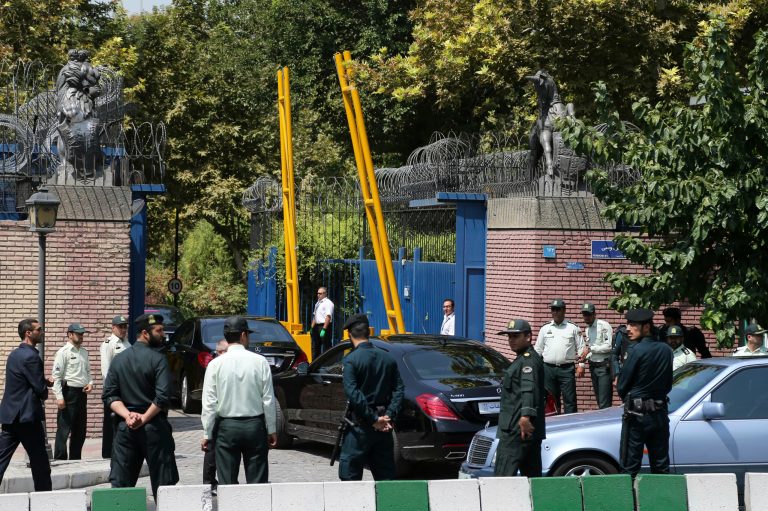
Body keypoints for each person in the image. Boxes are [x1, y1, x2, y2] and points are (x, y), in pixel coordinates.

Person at [103, 313, 178, 498]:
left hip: (125, 429)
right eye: (159, 331)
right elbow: (162, 397)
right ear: (145, 333)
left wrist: (128, 415)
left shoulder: (119, 360)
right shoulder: (158, 359)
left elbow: (109, 395)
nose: (163, 334)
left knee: (121, 488)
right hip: (153, 428)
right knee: (164, 486)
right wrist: (143, 418)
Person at [201, 318, 276, 485]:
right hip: (254, 426)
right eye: (248, 335)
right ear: (243, 335)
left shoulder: (215, 364)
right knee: (257, 485)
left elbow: (209, 403)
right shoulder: (260, 361)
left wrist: (207, 433)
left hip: (227, 428)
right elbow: (268, 400)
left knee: (227, 484)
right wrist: (271, 429)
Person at [338, 313, 404, 481]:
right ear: (368, 333)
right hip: (384, 428)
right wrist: (388, 416)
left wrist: (373, 419)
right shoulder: (388, 358)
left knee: (350, 478)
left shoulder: (351, 360)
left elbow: (353, 393)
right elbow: (399, 389)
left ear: (349, 335)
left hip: (360, 426)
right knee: (386, 479)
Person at [617, 308, 673, 477]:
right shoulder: (666, 350)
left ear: (647, 327)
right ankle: (662, 503)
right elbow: (668, 385)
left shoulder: (636, 350)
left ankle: (630, 504)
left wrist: (632, 396)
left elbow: (622, 386)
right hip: (660, 413)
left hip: (637, 415)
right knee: (661, 466)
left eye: (633, 325)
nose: (628, 328)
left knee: (629, 467)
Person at [0, 319, 53, 491]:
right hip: (27, 418)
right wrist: (46, 386)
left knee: (1, 459)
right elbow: (39, 390)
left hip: (10, 416)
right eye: (39, 329)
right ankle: (45, 500)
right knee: (40, 464)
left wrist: (41, 381)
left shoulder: (14, 354)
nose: (42, 332)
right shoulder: (32, 356)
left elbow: (22, 380)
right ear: (28, 333)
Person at [494, 319, 546, 477]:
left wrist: (525, 416)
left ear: (528, 336)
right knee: (531, 478)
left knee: (502, 478)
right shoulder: (523, 359)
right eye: (509, 336)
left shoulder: (527, 360)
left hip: (517, 429)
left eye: (515, 336)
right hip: (525, 429)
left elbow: (528, 389)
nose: (511, 340)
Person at [534, 299, 585, 414]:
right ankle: (555, 426)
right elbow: (538, 350)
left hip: (566, 369)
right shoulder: (545, 328)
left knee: (570, 400)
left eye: (558, 309)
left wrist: (581, 365)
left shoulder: (573, 328)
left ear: (564, 310)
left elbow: (581, 348)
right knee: (552, 400)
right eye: (553, 309)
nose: (555, 312)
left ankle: (571, 426)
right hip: (548, 369)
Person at [52, 323, 94, 460]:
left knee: (80, 430)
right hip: (68, 393)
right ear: (70, 334)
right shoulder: (63, 352)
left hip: (82, 394)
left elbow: (88, 372)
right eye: (78, 334)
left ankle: (75, 459)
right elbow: (57, 377)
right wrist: (59, 397)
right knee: (64, 430)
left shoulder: (84, 352)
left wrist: (90, 383)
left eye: (82, 334)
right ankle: (60, 459)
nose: (81, 336)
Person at [100, 315, 129, 458]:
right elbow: (106, 370)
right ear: (113, 328)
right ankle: (108, 453)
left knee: (121, 421)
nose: (123, 329)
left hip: (126, 389)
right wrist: (109, 391)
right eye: (120, 327)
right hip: (114, 389)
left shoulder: (127, 344)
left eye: (125, 326)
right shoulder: (108, 343)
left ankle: (120, 450)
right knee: (110, 422)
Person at [202, 339, 229, 492]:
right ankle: (209, 482)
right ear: (219, 352)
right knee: (211, 451)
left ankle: (213, 482)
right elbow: (209, 398)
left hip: (223, 415)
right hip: (216, 414)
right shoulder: (215, 366)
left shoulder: (220, 365)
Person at [581, 303, 613, 409]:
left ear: (594, 314)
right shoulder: (587, 329)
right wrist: (584, 357)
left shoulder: (603, 325)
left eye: (588, 314)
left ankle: (606, 423)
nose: (586, 317)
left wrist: (591, 349)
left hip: (604, 366)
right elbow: (590, 348)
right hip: (593, 366)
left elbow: (608, 346)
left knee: (604, 402)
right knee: (599, 400)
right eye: (584, 314)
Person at [310, 287, 334, 359]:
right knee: (315, 346)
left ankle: (328, 363)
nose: (318, 295)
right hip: (316, 326)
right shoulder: (317, 303)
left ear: (325, 294)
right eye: (318, 293)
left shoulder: (328, 303)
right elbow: (315, 316)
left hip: (324, 326)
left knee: (326, 346)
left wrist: (324, 329)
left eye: (320, 293)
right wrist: (311, 327)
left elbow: (328, 317)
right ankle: (315, 363)